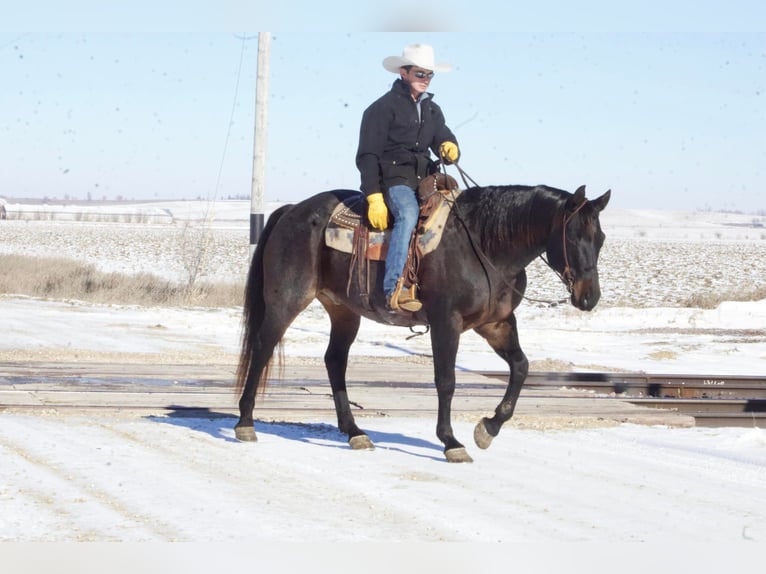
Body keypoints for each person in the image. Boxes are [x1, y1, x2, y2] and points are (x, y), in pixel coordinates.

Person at [356, 43, 460, 312]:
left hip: (425, 178)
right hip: (394, 180)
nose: (425, 80)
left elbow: (443, 135)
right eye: (420, 74)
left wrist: (450, 146)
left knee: (457, 213)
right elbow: (367, 155)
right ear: (404, 72)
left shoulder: (432, 110)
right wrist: (374, 196)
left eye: (429, 75)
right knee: (409, 214)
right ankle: (395, 287)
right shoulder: (380, 109)